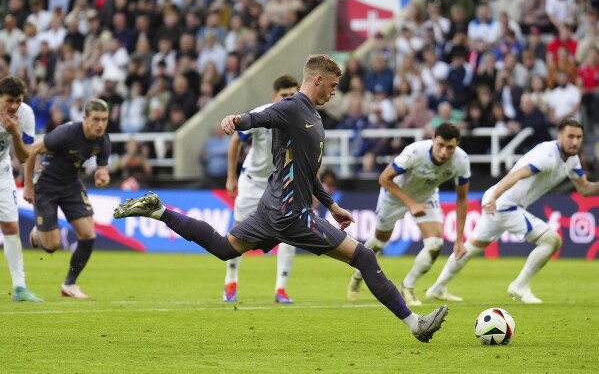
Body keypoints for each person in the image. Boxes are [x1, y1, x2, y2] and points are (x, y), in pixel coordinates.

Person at [114, 54, 448, 343]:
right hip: (291, 214)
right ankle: (415, 324)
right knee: (363, 258)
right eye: (332, 84)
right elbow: (257, 118)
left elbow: (307, 172)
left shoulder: (313, 116)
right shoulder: (291, 107)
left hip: (271, 209)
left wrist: (331, 205)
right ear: (317, 79)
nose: (335, 91)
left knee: (224, 248)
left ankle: (159, 211)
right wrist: (236, 119)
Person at [427, 118, 599, 304]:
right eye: (570, 136)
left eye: (579, 137)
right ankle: (520, 285)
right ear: (559, 136)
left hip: (499, 201)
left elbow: (584, 189)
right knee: (552, 240)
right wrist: (495, 197)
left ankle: (437, 288)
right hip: (504, 204)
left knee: (470, 248)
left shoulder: (572, 160)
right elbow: (516, 174)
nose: (574, 141)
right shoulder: (547, 155)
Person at [347, 123, 470, 306]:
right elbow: (384, 179)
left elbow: (461, 199)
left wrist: (459, 240)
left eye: (450, 147)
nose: (444, 152)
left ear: (457, 145)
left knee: (435, 244)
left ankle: (408, 286)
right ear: (433, 140)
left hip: (426, 196)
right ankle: (358, 275)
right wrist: (411, 204)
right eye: (440, 145)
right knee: (380, 241)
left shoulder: (461, 160)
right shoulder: (415, 152)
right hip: (394, 194)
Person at [23, 99, 112, 299]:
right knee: (52, 246)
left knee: (89, 235)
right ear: (85, 119)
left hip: (71, 185)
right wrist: (28, 185)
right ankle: (40, 233)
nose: (100, 125)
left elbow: (103, 168)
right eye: (96, 119)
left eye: (104, 120)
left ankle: (69, 285)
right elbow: (32, 151)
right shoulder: (67, 133)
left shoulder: (103, 140)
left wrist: (103, 176)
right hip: (46, 185)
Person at [224, 74, 299, 304]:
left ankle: (281, 289)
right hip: (253, 181)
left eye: (292, 95)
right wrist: (231, 176)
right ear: (274, 96)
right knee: (238, 231)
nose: (288, 99)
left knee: (290, 234)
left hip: (281, 184)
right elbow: (237, 140)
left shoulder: (301, 117)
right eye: (284, 96)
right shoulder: (262, 114)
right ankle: (230, 281)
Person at [0, 76, 43, 302]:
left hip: (2, 172)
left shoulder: (25, 113)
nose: (14, 106)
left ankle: (19, 288)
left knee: (10, 227)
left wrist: (15, 133)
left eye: (18, 100)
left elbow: (25, 155)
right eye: (9, 101)